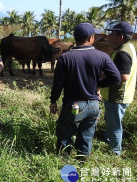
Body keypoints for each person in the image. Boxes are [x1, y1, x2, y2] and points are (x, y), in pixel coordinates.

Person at [49, 22, 120, 157]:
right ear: (90, 38)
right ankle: (82, 163)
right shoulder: (102, 56)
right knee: (86, 136)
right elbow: (116, 77)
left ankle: (62, 164)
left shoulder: (65, 58)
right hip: (93, 105)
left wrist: (53, 101)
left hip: (73, 104)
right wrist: (99, 85)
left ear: (75, 38)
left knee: (65, 135)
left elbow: (58, 83)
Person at [101, 22, 136, 156]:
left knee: (114, 124)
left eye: (112, 34)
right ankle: (108, 138)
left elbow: (123, 76)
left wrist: (101, 82)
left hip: (117, 95)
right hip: (120, 94)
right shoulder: (128, 47)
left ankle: (115, 152)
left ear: (120, 37)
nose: (109, 36)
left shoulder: (122, 53)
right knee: (111, 120)